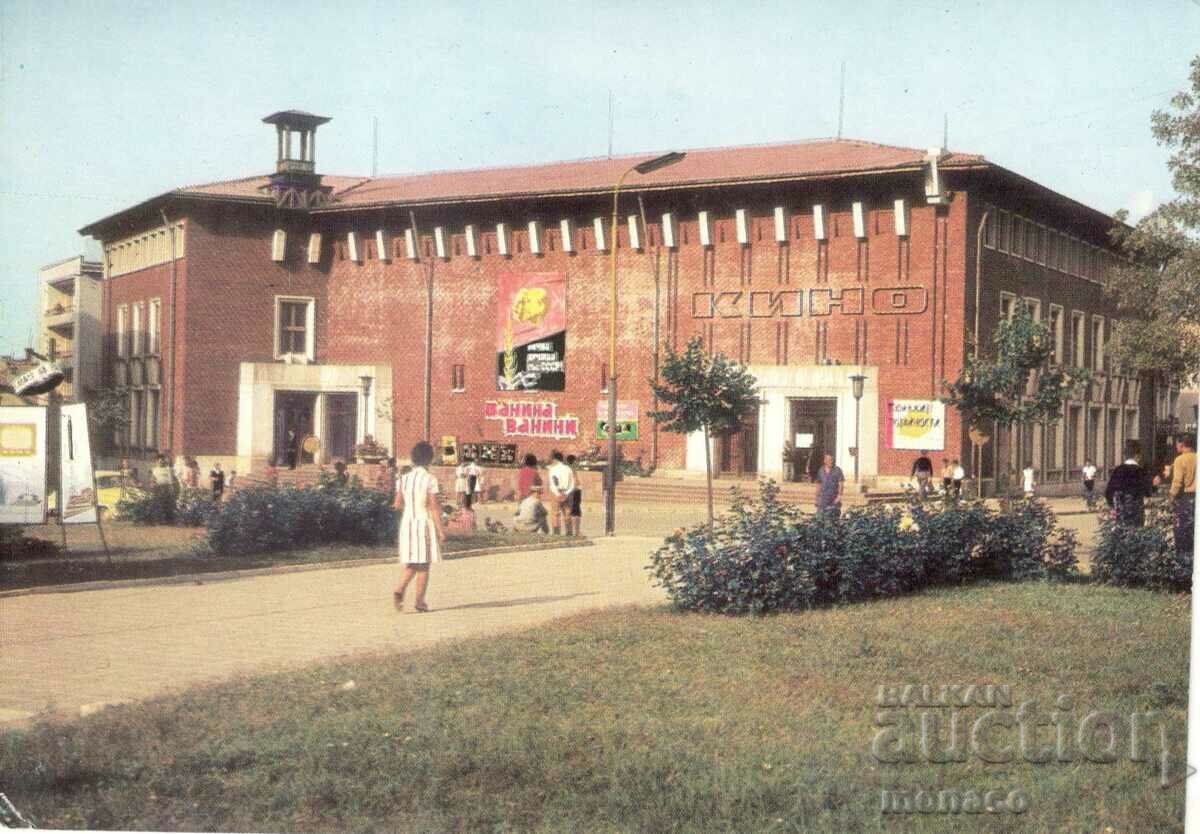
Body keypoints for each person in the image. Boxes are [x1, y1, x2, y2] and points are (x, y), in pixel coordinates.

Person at [393, 441, 446, 613]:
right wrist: (440, 530)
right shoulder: (430, 479)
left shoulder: (403, 479)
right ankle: (420, 601)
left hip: (407, 522)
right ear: (429, 459)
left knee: (412, 561)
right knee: (423, 564)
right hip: (424, 522)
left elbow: (397, 504)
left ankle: (400, 588)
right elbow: (433, 506)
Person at [1106, 440, 1152, 526]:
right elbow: (1148, 492)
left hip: (1121, 509)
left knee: (1123, 533)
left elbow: (1109, 492)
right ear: (1137, 456)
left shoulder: (1118, 470)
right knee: (1136, 534)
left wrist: (1112, 507)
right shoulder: (1140, 471)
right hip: (1137, 510)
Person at [1168, 434, 1196, 558]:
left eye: (1177, 444)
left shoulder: (1180, 459)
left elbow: (1177, 482)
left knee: (1181, 531)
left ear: (1181, 444)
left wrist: (1171, 497)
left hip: (1184, 498)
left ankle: (1182, 560)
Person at [546, 450, 576, 535]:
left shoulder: (553, 469)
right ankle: (569, 533)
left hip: (556, 492)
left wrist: (558, 494)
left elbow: (552, 484)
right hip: (567, 492)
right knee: (567, 512)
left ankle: (556, 533)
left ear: (555, 459)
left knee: (555, 513)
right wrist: (566, 493)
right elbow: (572, 483)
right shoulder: (568, 469)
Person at [815, 452, 845, 519]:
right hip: (823, 498)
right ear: (824, 460)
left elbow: (841, 484)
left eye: (832, 460)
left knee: (833, 518)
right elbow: (818, 484)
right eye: (828, 460)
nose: (830, 461)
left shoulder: (837, 470)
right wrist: (817, 497)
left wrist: (839, 496)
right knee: (820, 518)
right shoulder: (821, 470)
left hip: (834, 498)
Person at [565, 454, 583, 536]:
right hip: (574, 491)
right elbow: (575, 481)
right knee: (576, 511)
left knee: (568, 511)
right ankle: (577, 531)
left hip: (567, 491)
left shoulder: (565, 469)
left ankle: (569, 531)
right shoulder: (572, 469)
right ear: (574, 461)